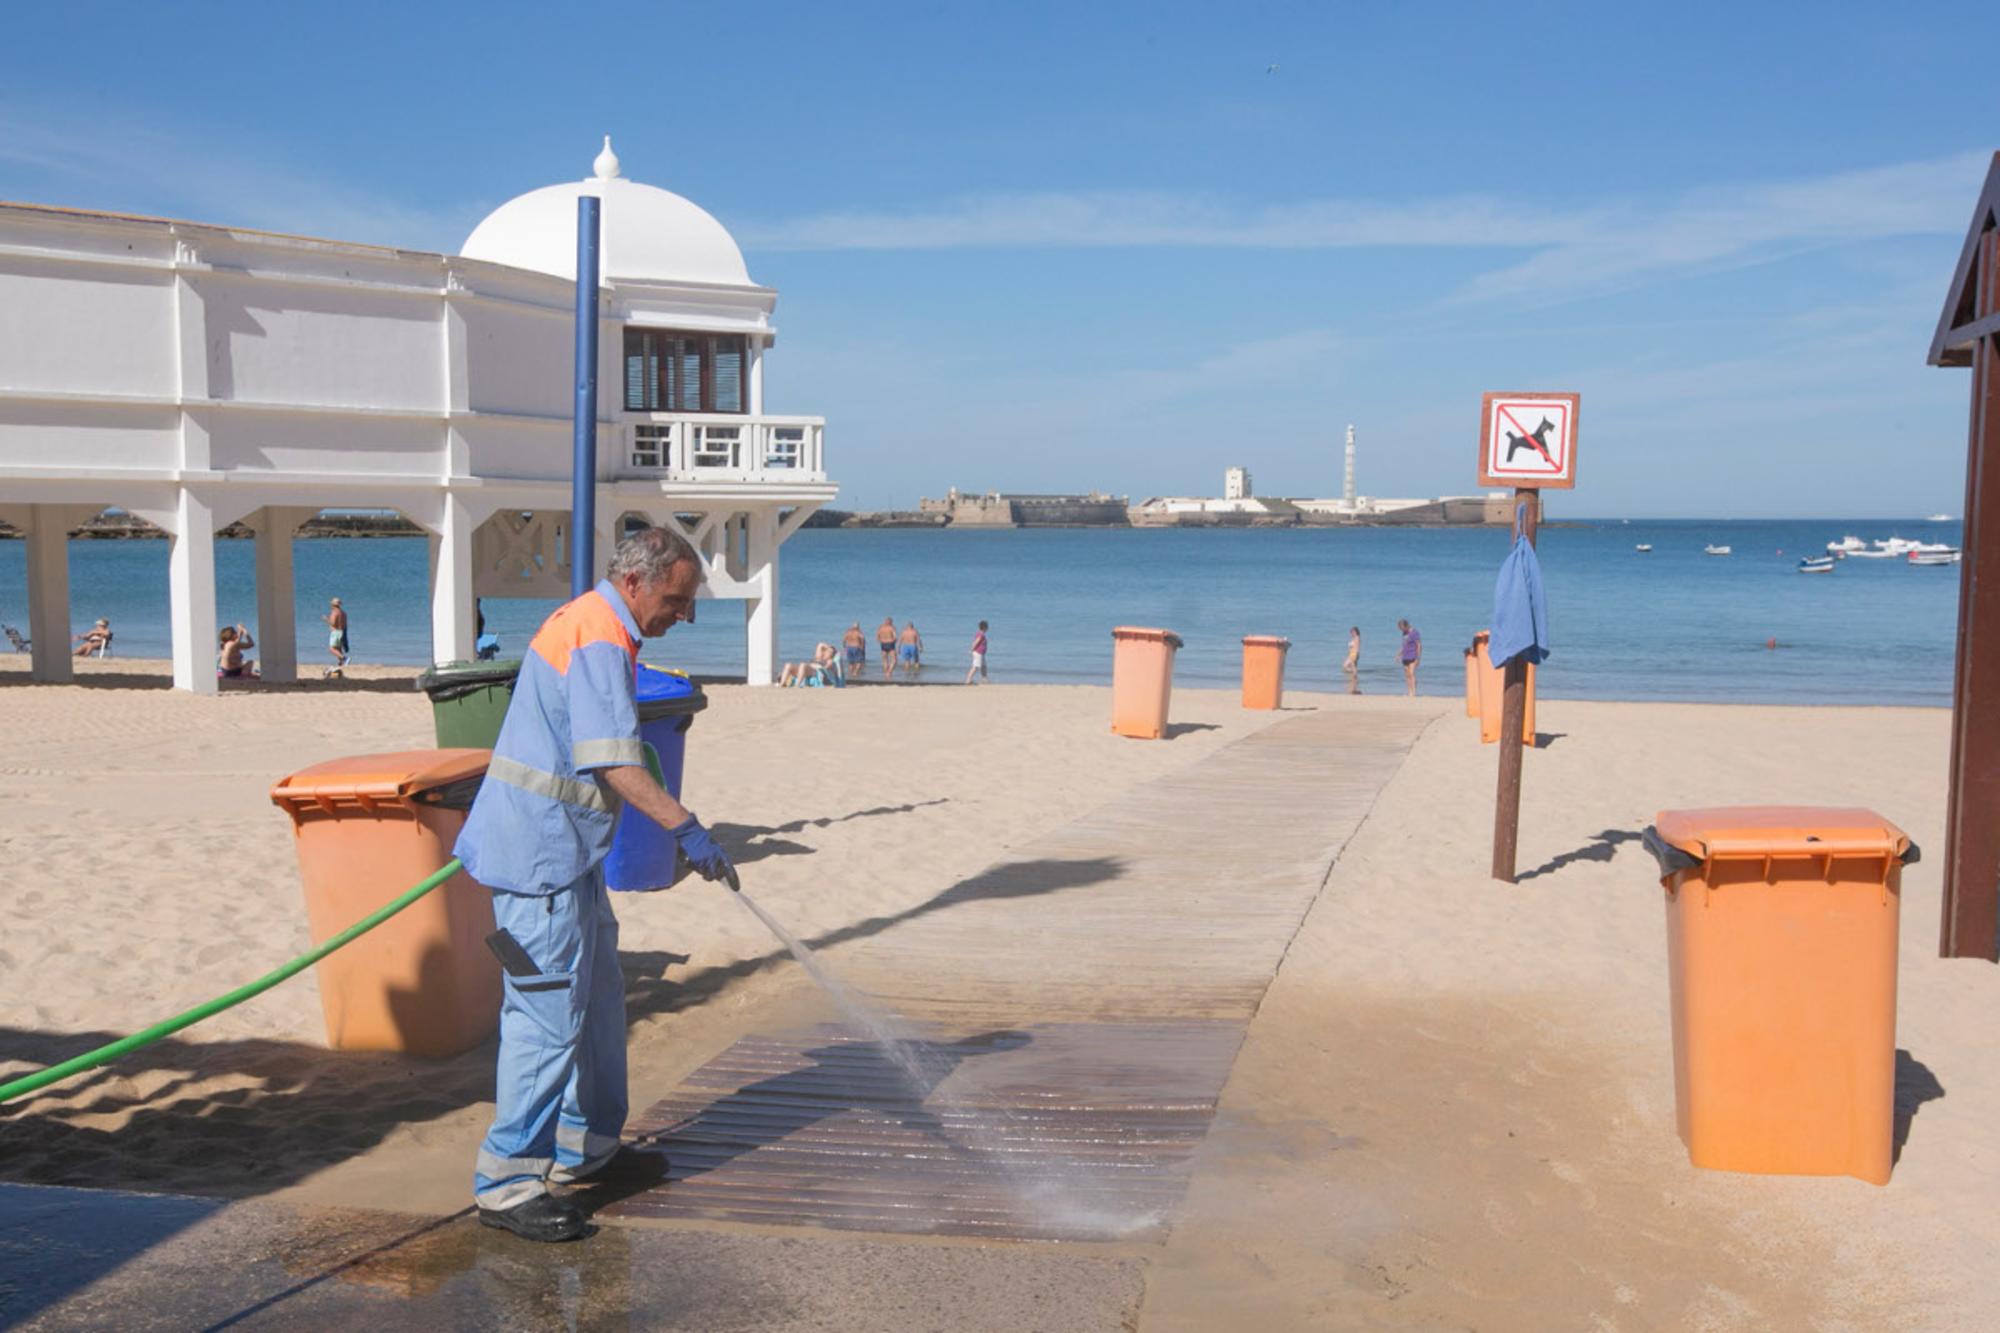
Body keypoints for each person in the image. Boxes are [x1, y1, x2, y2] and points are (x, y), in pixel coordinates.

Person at [456, 527, 735, 1244]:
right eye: (677, 600)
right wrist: (685, 825)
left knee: (601, 997)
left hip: (566, 856)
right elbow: (613, 761)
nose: (684, 616)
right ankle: (509, 1180)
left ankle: (590, 1145)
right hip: (536, 861)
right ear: (637, 582)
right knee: (546, 1014)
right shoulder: (600, 634)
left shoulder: (597, 624)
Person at [322, 598, 349, 677]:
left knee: (332, 649)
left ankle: (345, 659)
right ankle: (340, 666)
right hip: (342, 632)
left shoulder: (335, 612)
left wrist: (326, 619)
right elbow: (344, 625)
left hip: (336, 632)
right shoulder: (343, 613)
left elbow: (333, 623)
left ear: (332, 605)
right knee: (338, 649)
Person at [1397, 618, 1422, 696]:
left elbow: (1419, 645)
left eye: (1402, 628)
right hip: (1405, 657)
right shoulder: (1404, 633)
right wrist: (1398, 654)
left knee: (1411, 674)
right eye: (1400, 629)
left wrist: (1418, 658)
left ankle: (1414, 692)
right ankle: (1409, 692)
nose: (1401, 630)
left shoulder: (1415, 633)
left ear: (1406, 626)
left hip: (1413, 656)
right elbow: (1404, 645)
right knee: (1407, 675)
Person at [964, 620, 989, 685]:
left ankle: (984, 679)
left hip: (981, 653)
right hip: (978, 653)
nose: (988, 628)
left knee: (983, 666)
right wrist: (971, 649)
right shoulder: (981, 634)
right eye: (987, 627)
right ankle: (968, 680)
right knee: (975, 666)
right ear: (984, 628)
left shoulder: (981, 634)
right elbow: (976, 642)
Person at [1342, 626, 1360, 693]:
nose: (1351, 633)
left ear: (1355, 632)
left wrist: (1356, 656)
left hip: (1354, 654)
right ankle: (1353, 677)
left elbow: (1357, 648)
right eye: (1350, 632)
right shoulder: (1353, 638)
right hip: (1351, 654)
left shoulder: (1357, 638)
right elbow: (1351, 647)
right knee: (1345, 667)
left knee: (1348, 667)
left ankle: (1354, 679)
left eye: (1352, 632)